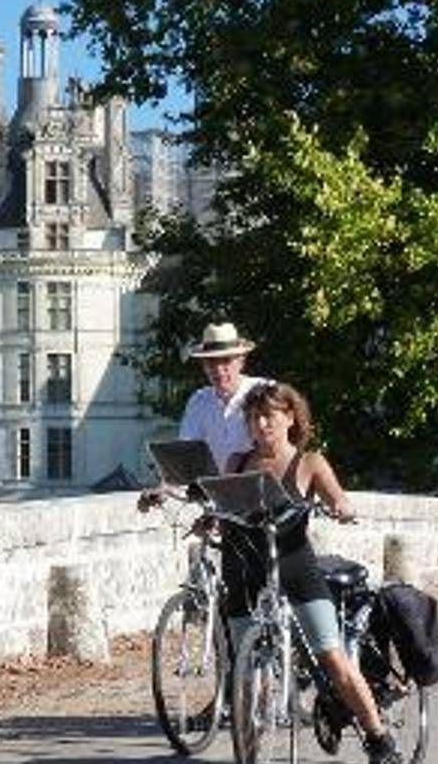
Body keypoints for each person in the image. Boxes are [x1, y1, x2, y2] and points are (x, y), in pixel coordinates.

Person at [226, 381, 401, 764]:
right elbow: (224, 506)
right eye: (252, 418)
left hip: (296, 570)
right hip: (248, 571)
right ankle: (250, 748)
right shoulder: (237, 463)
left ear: (290, 418)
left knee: (333, 658)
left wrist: (341, 508)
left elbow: (338, 498)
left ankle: (378, 737)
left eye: (268, 416)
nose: (260, 424)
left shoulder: (309, 463)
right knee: (246, 667)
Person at [139, 321, 270, 509]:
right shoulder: (199, 401)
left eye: (226, 361)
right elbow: (186, 459)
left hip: (264, 497)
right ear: (203, 366)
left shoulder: (264, 392)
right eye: (211, 363)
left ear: (241, 361)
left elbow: (284, 445)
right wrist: (164, 489)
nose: (218, 369)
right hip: (221, 502)